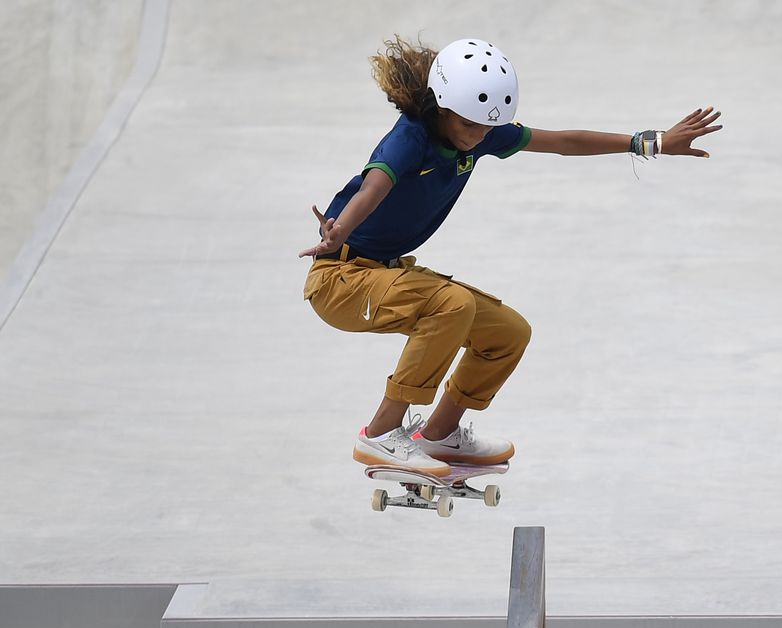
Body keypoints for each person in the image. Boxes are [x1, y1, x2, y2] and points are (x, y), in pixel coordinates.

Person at [300, 36, 722, 476]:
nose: (479, 137)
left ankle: (442, 436)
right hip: (340, 279)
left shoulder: (476, 133)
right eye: (471, 126)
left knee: (507, 332)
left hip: (386, 276)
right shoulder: (409, 139)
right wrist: (339, 230)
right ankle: (381, 436)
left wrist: (648, 142)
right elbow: (375, 184)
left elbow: (563, 141)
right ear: (442, 108)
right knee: (451, 305)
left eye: (487, 128)